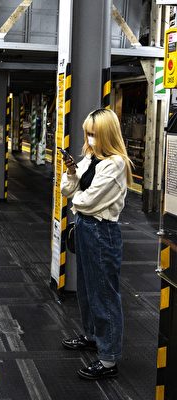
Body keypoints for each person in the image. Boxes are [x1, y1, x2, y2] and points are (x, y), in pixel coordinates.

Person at [59, 108, 133, 380]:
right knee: (87, 289)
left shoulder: (116, 164)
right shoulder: (91, 157)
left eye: (93, 134)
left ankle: (108, 359)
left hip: (102, 232)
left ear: (106, 134)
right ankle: (92, 336)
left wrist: (77, 195)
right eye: (87, 133)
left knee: (104, 293)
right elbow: (67, 190)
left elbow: (87, 202)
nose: (89, 139)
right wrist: (71, 172)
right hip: (85, 227)